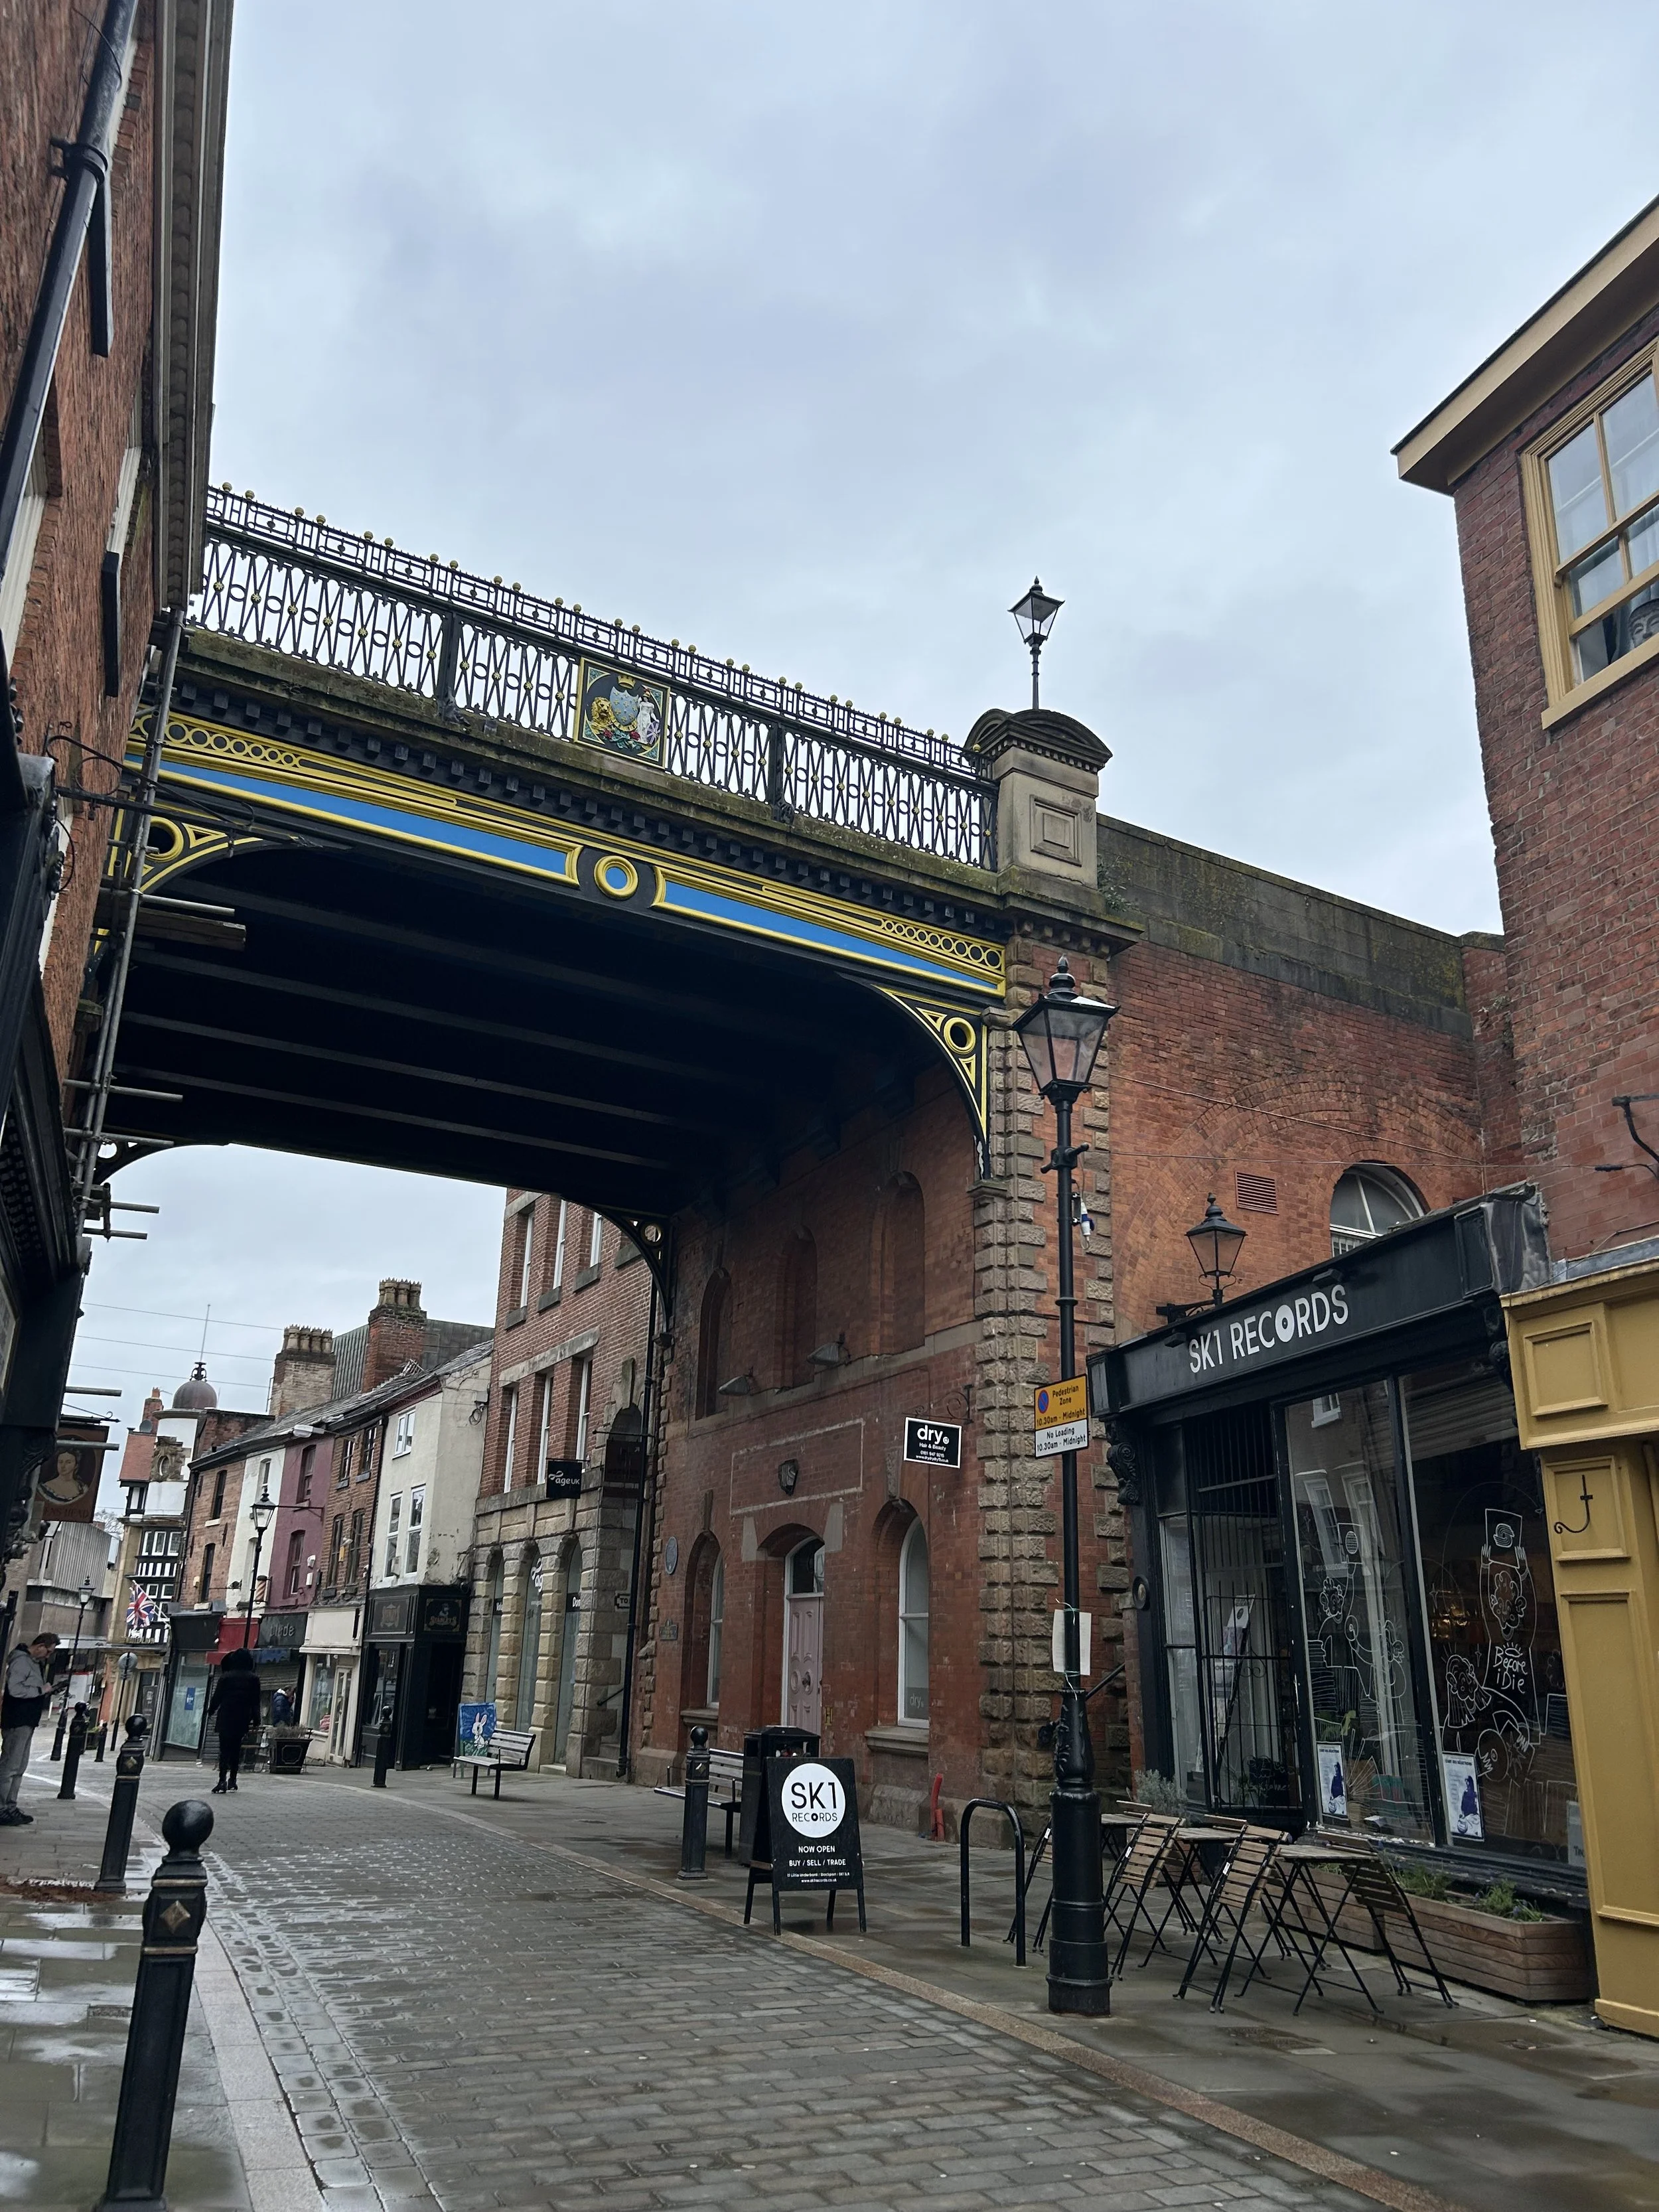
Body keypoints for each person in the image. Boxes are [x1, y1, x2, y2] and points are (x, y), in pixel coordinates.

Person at [0, 1633, 61, 1825]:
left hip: (27, 1721)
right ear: (41, 1646)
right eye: (48, 1652)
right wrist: (41, 1691)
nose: (48, 1657)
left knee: (20, 1767)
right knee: (10, 1766)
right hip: (17, 1720)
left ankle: (10, 1806)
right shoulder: (21, 1661)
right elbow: (15, 1690)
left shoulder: (34, 1663)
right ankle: (2, 1808)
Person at [206, 1647, 260, 1793]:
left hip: (226, 1716)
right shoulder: (254, 1679)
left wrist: (210, 1711)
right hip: (242, 1718)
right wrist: (256, 1720)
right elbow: (256, 1701)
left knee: (224, 1750)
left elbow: (217, 1697)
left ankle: (222, 1780)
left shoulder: (226, 1678)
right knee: (236, 1749)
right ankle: (233, 1780)